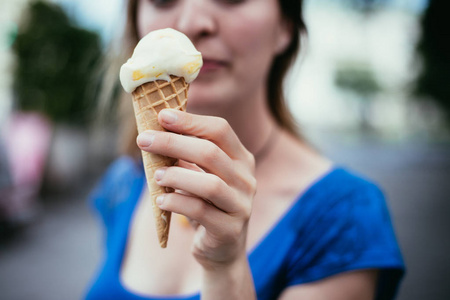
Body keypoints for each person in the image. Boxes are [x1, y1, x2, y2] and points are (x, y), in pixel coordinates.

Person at [85, 0, 405, 299]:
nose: (192, 23)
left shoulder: (344, 219)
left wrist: (226, 268)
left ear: (286, 26)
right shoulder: (124, 182)